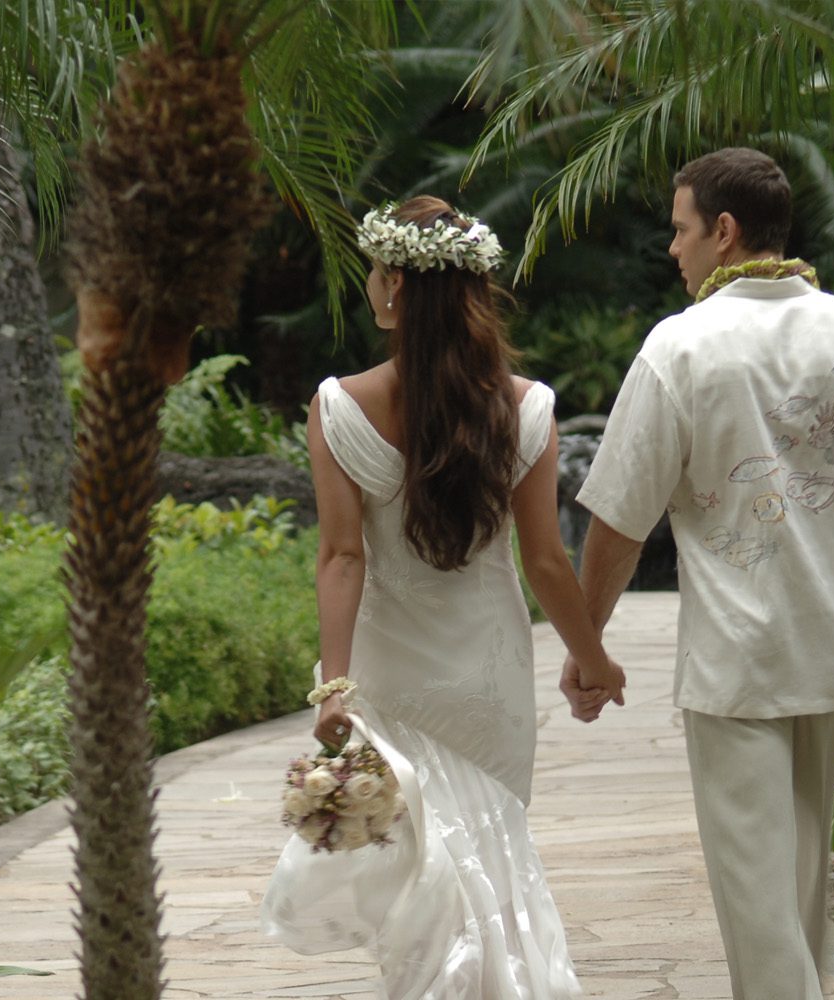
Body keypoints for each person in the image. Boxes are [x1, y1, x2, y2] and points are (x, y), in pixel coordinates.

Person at [565, 148, 834, 1000]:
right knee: (797, 877)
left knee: (760, 896)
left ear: (724, 233)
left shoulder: (681, 348)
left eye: (682, 230)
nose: (673, 251)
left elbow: (620, 517)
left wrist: (589, 645)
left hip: (741, 662)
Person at [262, 196, 624, 998]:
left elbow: (341, 556)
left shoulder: (341, 406)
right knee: (491, 857)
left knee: (423, 878)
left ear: (394, 284)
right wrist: (594, 660)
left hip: (394, 678)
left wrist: (335, 685)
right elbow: (544, 560)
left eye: (373, 274)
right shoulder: (525, 407)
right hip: (489, 679)